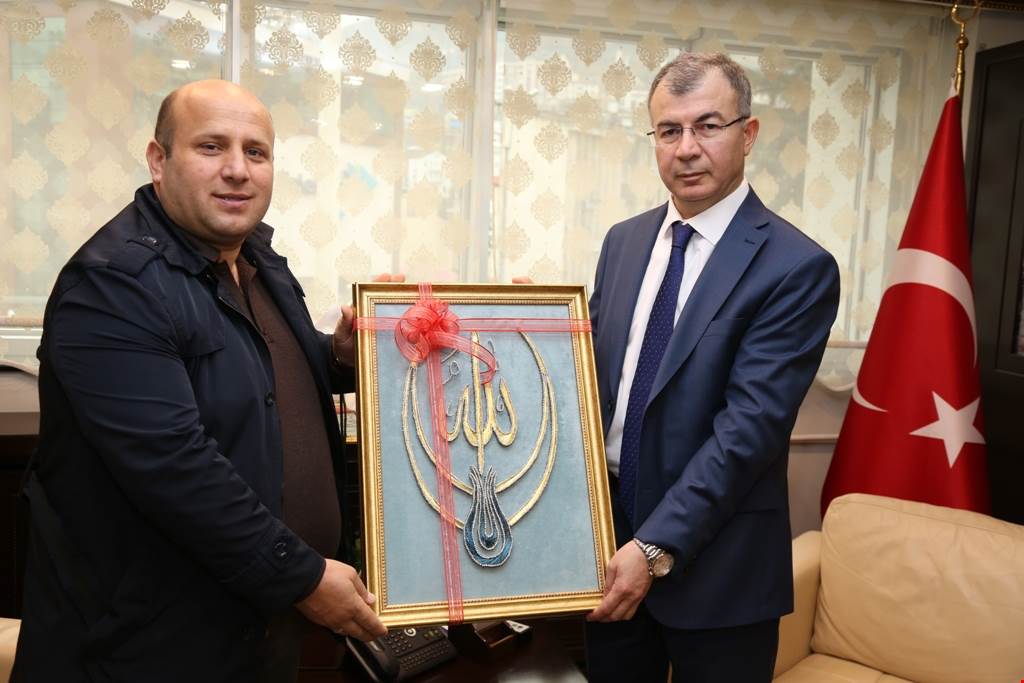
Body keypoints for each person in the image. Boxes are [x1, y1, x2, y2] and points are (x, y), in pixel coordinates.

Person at [14, 79, 388, 682]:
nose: (237, 169)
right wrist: (303, 577)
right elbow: (173, 466)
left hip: (257, 630)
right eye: (211, 147)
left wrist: (340, 358)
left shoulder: (253, 257)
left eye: (255, 152)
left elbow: (262, 376)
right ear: (158, 160)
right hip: (147, 647)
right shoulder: (112, 284)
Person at [584, 52, 840, 682]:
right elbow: (591, 380)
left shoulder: (796, 267)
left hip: (721, 572)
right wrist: (522, 339)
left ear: (747, 134)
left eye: (708, 126)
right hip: (605, 546)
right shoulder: (623, 242)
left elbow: (747, 433)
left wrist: (654, 546)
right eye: (669, 130)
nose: (687, 148)